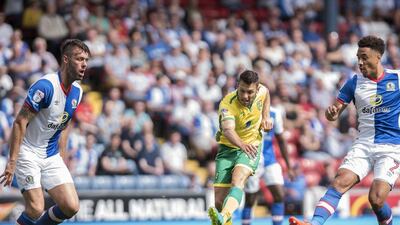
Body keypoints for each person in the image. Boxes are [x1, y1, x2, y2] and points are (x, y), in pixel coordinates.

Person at [289, 35, 399, 225]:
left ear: (378, 57)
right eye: (358, 58)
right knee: (340, 181)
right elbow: (333, 114)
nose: (360, 62)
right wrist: (332, 113)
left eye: (364, 57)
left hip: (391, 147)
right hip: (363, 144)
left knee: (377, 198)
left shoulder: (397, 78)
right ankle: (314, 223)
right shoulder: (353, 83)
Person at [0, 39, 90, 225]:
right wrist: (12, 162)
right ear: (66, 60)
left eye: (86, 60)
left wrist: (62, 159)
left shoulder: (77, 92)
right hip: (27, 151)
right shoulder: (45, 86)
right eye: (79, 59)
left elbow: (64, 126)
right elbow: (19, 122)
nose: (84, 64)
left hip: (50, 155)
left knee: (71, 206)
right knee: (35, 208)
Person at [208, 69, 274, 225]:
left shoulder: (262, 91)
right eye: (242, 91)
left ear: (257, 88)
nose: (245, 96)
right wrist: (241, 144)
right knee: (219, 201)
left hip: (251, 147)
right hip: (227, 149)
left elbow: (267, 94)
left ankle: (223, 217)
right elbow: (228, 130)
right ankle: (224, 218)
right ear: (238, 86)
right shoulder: (227, 104)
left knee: (238, 179)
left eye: (250, 92)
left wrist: (266, 116)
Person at [242, 106, 294, 225]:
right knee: (250, 198)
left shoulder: (275, 113)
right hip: (252, 160)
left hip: (270, 160)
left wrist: (289, 166)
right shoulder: (245, 112)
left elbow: (281, 140)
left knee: (279, 194)